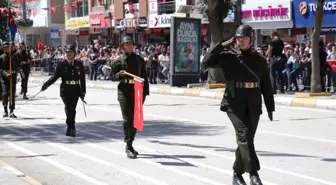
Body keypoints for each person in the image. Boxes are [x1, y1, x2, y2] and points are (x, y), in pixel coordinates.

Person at [202, 25, 275, 185]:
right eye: (239, 38)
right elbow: (206, 61)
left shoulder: (259, 60)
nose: (241, 40)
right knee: (244, 136)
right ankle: (253, 173)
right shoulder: (229, 57)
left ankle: (237, 173)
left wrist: (270, 106)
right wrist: (222, 45)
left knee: (247, 140)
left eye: (244, 37)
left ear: (251, 39)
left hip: (254, 103)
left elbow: (266, 85)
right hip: (234, 104)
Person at [110, 36, 150, 159]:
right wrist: (119, 75)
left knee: (136, 120)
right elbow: (112, 76)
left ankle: (131, 142)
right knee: (127, 119)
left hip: (137, 90)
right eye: (126, 44)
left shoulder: (139, 60)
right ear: (122, 46)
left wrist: (145, 93)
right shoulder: (119, 60)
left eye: (130, 44)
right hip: (124, 91)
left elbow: (144, 77)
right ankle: (128, 145)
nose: (129, 46)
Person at [41, 44, 86, 137]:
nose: (69, 54)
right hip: (65, 90)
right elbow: (55, 77)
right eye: (67, 52)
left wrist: (83, 91)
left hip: (76, 89)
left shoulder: (79, 65)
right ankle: (71, 126)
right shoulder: (61, 65)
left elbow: (82, 79)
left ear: (74, 53)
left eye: (71, 52)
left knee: (72, 109)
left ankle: (71, 125)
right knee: (69, 107)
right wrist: (46, 85)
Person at [0, 41, 21, 118]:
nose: (7, 48)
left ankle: (12, 111)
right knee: (5, 94)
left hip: (12, 78)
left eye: (8, 47)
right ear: (3, 48)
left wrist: (16, 73)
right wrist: (6, 74)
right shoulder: (1, 57)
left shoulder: (14, 57)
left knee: (12, 94)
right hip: (4, 79)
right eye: (5, 47)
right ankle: (5, 111)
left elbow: (18, 66)